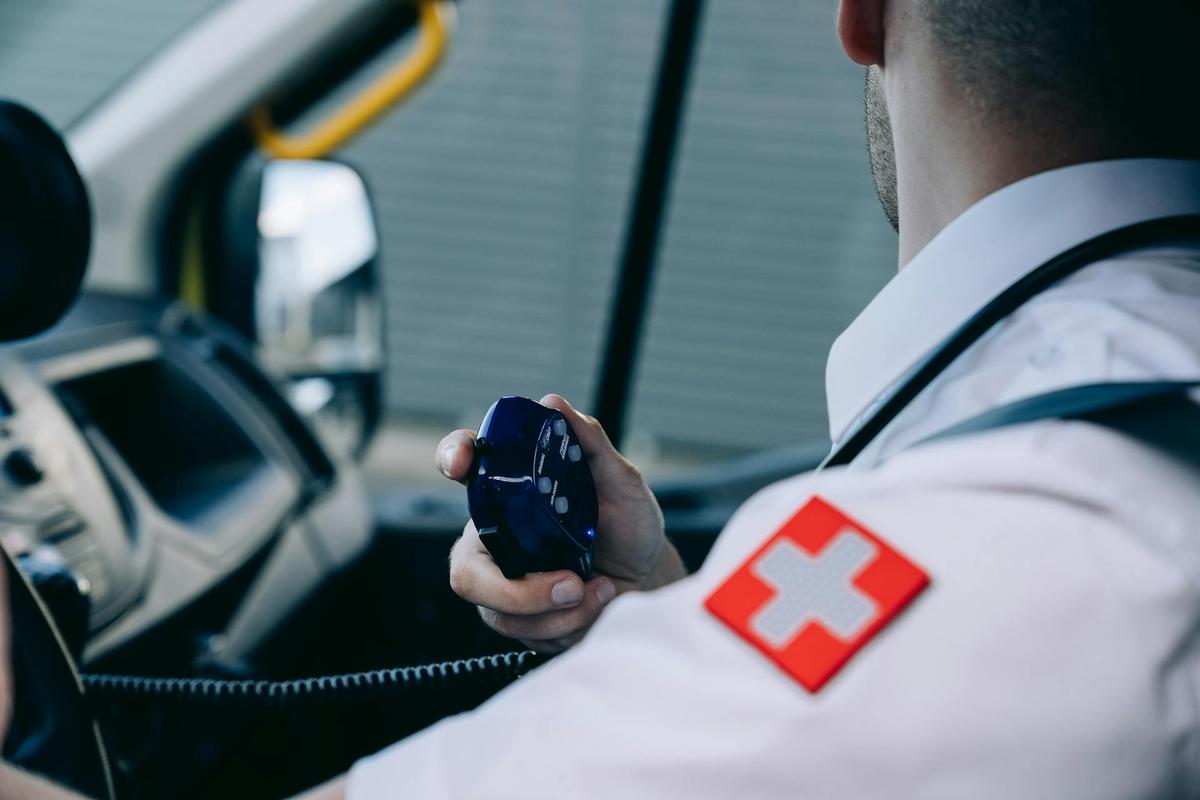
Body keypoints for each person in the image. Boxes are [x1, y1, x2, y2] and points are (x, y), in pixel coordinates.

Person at [6, 0, 1200, 796]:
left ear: (863, 12)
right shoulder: (1095, 424)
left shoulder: (1032, 543)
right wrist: (655, 621)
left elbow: (870, 684)